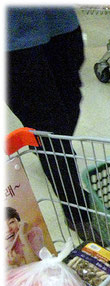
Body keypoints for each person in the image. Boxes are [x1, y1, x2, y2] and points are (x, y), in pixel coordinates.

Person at [6, 7, 102, 244]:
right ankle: (77, 213)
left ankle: (50, 154)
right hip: (12, 39)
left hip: (61, 22)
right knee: (50, 128)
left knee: (71, 103)